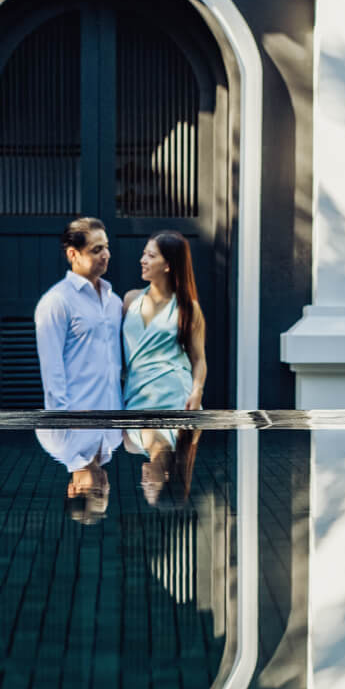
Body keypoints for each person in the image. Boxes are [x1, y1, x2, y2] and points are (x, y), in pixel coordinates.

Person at [33, 217, 126, 518]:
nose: (106, 255)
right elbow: (51, 367)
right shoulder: (56, 302)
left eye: (106, 248)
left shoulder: (113, 303)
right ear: (73, 254)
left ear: (73, 488)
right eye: (97, 249)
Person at [121, 231, 208, 504]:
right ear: (167, 478)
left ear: (168, 265)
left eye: (150, 255)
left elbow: (199, 358)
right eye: (150, 486)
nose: (142, 260)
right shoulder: (130, 300)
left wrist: (197, 392)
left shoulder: (131, 443)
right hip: (136, 393)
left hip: (175, 396)